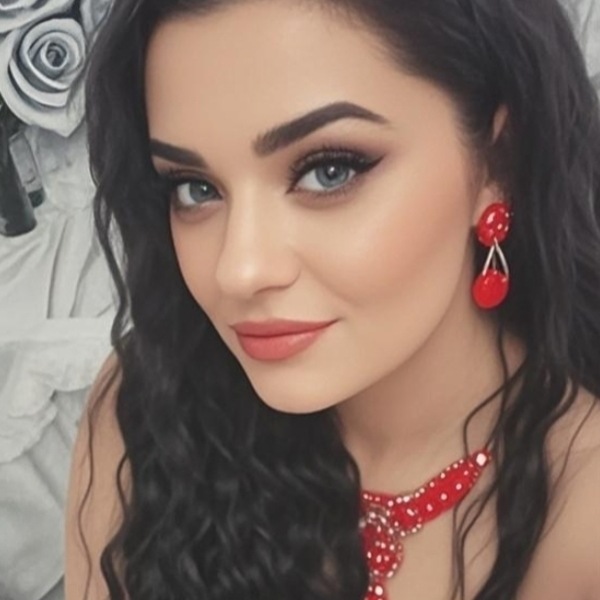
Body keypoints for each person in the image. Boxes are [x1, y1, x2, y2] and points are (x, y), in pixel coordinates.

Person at [64, 0, 600, 598]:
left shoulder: (583, 518)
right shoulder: (148, 412)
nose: (238, 270)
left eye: (329, 171)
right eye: (195, 188)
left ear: (500, 161)